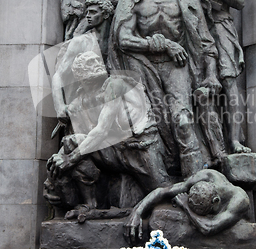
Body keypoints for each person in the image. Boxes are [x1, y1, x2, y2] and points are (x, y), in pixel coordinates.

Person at [109, 0, 222, 178]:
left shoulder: (189, 2)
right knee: (145, 127)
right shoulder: (131, 0)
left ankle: (195, 183)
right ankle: (159, 182)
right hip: (140, 65)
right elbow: (123, 39)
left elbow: (206, 43)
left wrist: (211, 75)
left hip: (177, 66)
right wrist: (160, 44)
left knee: (183, 120)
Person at [46, 51, 174, 219]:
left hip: (141, 146)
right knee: (71, 142)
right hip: (116, 147)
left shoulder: (115, 84)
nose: (97, 64)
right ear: (80, 74)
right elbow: (70, 113)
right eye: (90, 63)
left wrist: (70, 160)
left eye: (97, 60)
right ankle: (90, 205)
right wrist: (57, 165)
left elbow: (101, 130)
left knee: (164, 192)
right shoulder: (84, 97)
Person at [180, 0, 250, 154]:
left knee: (229, 81)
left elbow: (239, 2)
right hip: (194, 30)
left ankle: (234, 141)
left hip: (220, 27)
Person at [124, 168, 250, 245]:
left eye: (204, 213)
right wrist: (137, 212)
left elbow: (208, 227)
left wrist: (185, 206)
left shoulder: (239, 200)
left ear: (216, 201)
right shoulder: (206, 176)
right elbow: (162, 191)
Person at [51, 0, 114, 128]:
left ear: (106, 14)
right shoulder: (81, 42)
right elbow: (59, 75)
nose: (88, 16)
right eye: (87, 13)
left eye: (93, 12)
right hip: (86, 106)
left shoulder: (116, 41)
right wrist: (60, 107)